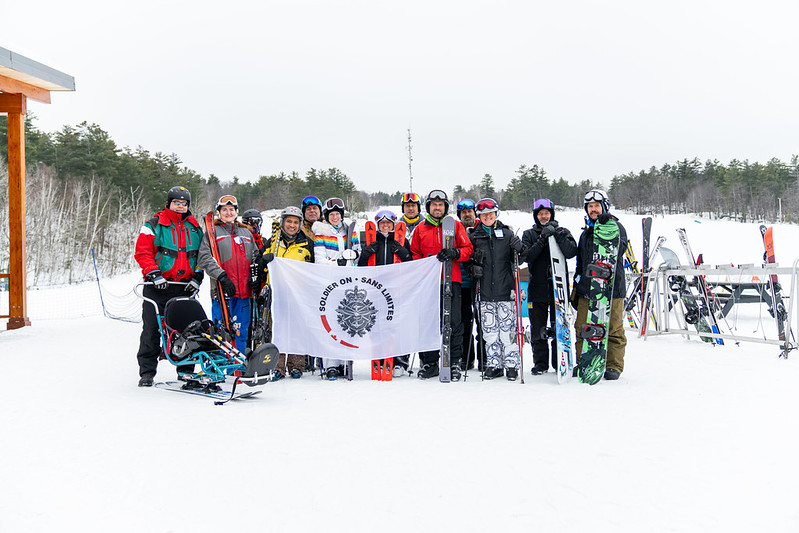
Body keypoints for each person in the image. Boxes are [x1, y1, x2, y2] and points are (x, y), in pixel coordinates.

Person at [133, 186, 204, 387]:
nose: (180, 207)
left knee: (187, 330)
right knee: (152, 330)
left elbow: (201, 257)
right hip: (158, 286)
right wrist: (153, 273)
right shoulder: (154, 224)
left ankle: (185, 370)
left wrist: (197, 277)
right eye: (177, 203)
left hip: (182, 287)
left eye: (184, 204)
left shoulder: (195, 228)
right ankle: (147, 372)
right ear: (169, 203)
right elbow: (143, 252)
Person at [410, 189, 473, 381]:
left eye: (441, 205)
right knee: (429, 322)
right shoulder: (420, 228)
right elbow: (414, 253)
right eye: (434, 205)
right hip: (429, 283)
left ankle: (454, 361)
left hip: (451, 280)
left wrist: (455, 253)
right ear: (429, 207)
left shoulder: (455, 226)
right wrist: (423, 269)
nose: (437, 208)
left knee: (454, 322)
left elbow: (468, 249)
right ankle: (430, 362)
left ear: (445, 207)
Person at [573, 189, 628, 380]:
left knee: (613, 328)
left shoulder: (616, 228)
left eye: (596, 206)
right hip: (587, 289)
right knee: (582, 327)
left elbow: (619, 250)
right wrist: (577, 286)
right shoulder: (585, 234)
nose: (593, 209)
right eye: (590, 206)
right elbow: (580, 263)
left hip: (611, 289)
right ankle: (584, 362)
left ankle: (613, 365)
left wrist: (606, 232)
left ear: (604, 206)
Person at [467, 198, 525, 381]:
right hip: (484, 291)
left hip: (505, 290)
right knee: (490, 332)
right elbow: (467, 261)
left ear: (496, 214)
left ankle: (511, 365)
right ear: (480, 216)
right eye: (484, 215)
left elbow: (522, 259)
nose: (487, 217)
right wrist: (472, 268)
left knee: (508, 332)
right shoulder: (474, 236)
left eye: (490, 214)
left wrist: (519, 248)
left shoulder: (507, 233)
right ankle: (494, 364)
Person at [197, 195, 260, 354]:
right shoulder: (212, 233)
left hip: (244, 293)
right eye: (224, 210)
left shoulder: (246, 233)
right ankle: (222, 365)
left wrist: (256, 277)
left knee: (241, 331)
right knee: (221, 331)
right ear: (219, 212)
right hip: (222, 292)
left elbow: (255, 257)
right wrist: (221, 276)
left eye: (231, 209)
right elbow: (204, 258)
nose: (228, 212)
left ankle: (239, 366)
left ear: (236, 212)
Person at [521, 199, 578, 375]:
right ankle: (540, 363)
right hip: (537, 288)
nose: (543, 216)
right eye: (540, 214)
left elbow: (571, 252)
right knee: (538, 327)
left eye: (546, 213)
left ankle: (558, 361)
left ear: (552, 214)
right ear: (536, 216)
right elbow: (527, 256)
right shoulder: (529, 234)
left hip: (557, 287)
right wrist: (542, 238)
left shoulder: (563, 231)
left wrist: (557, 235)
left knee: (558, 326)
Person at [260, 206, 315, 380]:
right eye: (289, 221)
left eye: (296, 222)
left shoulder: (306, 244)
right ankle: (277, 366)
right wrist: (264, 260)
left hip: (298, 293)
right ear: (283, 222)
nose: (292, 225)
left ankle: (296, 365)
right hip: (276, 292)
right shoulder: (273, 242)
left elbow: (313, 270)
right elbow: (260, 265)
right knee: (276, 329)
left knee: (297, 328)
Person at [358, 209, 412, 376]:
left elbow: (411, 264)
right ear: (378, 225)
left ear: (394, 224)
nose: (386, 225)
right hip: (376, 291)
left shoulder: (402, 241)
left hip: (397, 290)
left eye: (389, 223)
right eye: (382, 223)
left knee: (396, 326)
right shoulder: (372, 242)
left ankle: (399, 361)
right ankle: (380, 358)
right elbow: (360, 269)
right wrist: (366, 254)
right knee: (378, 326)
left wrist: (402, 252)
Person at [313, 197, 360, 379]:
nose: (334, 217)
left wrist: (353, 255)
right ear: (327, 216)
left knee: (346, 321)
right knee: (331, 322)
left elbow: (357, 254)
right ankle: (331, 363)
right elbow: (320, 260)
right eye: (331, 214)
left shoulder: (350, 231)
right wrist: (338, 262)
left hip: (348, 283)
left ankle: (344, 361)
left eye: (337, 214)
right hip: (330, 283)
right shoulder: (322, 233)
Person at [456, 199, 479, 370]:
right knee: (464, 322)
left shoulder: (483, 227)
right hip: (462, 283)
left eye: (470, 211)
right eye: (463, 212)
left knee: (483, 323)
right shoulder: (455, 230)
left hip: (481, 283)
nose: (467, 214)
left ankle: (486, 359)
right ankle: (466, 358)